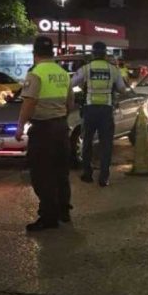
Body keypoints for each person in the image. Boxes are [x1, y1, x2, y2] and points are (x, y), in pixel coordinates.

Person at [16, 36, 74, 232]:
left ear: (35, 54)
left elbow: (29, 102)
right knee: (61, 172)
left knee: (42, 174)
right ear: (53, 53)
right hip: (61, 127)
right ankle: (64, 212)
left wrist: (19, 126)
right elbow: (70, 103)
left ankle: (48, 217)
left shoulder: (35, 73)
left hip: (43, 130)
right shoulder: (63, 73)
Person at [72, 41, 127, 187]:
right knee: (106, 144)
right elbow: (122, 89)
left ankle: (87, 174)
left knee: (87, 143)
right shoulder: (113, 70)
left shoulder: (86, 69)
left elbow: (71, 84)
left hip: (90, 110)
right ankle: (104, 178)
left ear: (93, 53)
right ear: (105, 54)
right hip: (106, 110)